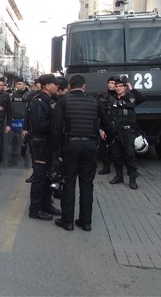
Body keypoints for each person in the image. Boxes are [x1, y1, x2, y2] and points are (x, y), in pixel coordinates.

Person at [52, 74, 113, 232]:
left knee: (69, 184)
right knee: (87, 184)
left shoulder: (63, 101)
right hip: (90, 146)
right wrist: (108, 140)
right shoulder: (95, 102)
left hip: (70, 146)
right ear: (84, 86)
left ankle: (67, 222)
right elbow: (108, 125)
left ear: (70, 86)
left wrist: (57, 152)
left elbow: (56, 128)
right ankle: (86, 222)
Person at [22, 73, 61, 221]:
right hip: (41, 143)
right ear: (47, 85)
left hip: (48, 143)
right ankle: (35, 209)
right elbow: (40, 125)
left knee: (47, 176)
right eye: (54, 83)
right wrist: (57, 124)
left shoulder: (49, 100)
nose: (57, 86)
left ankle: (46, 204)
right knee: (39, 177)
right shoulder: (38, 101)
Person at [108, 74, 145, 190]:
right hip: (115, 132)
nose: (118, 88)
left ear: (125, 87)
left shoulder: (131, 98)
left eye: (121, 86)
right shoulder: (112, 99)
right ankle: (119, 176)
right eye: (117, 86)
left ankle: (132, 179)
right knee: (116, 155)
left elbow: (142, 98)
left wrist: (132, 88)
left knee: (130, 155)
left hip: (128, 131)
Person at [97, 76, 117, 175]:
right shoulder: (104, 97)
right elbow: (101, 115)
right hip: (107, 125)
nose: (110, 85)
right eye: (109, 83)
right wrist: (101, 129)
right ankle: (106, 167)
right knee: (106, 147)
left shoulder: (121, 96)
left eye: (113, 83)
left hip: (118, 126)